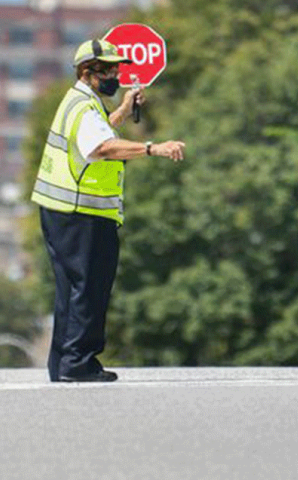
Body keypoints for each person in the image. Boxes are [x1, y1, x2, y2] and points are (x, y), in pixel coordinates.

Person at [31, 38, 186, 383]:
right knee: (90, 287)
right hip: (81, 212)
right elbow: (101, 147)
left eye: (117, 69)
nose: (116, 76)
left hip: (63, 211)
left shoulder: (81, 103)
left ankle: (64, 363)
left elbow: (97, 135)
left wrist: (122, 111)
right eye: (109, 71)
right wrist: (153, 148)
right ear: (88, 72)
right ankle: (79, 364)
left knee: (70, 289)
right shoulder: (85, 108)